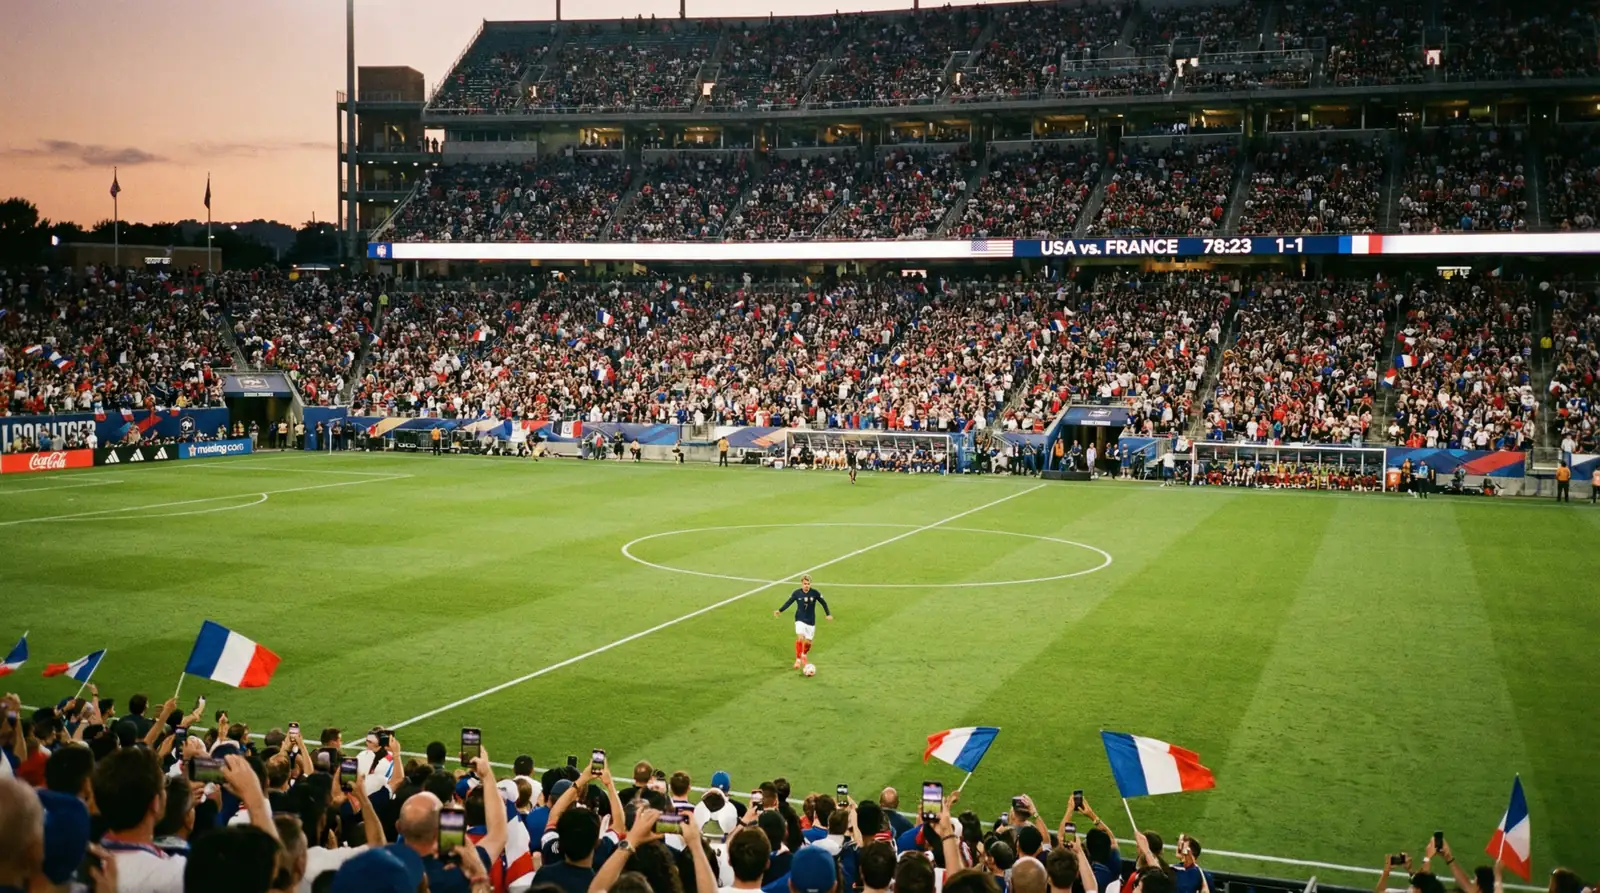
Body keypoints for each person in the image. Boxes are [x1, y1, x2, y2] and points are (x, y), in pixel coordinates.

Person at [775, 575, 832, 670]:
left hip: (811, 620)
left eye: (808, 584)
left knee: (808, 642)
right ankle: (798, 660)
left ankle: (804, 655)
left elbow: (823, 603)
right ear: (802, 583)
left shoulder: (815, 593)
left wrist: (828, 614)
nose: (807, 586)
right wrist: (780, 610)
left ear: (810, 584)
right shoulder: (797, 593)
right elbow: (789, 602)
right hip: (800, 619)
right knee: (800, 637)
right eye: (805, 584)